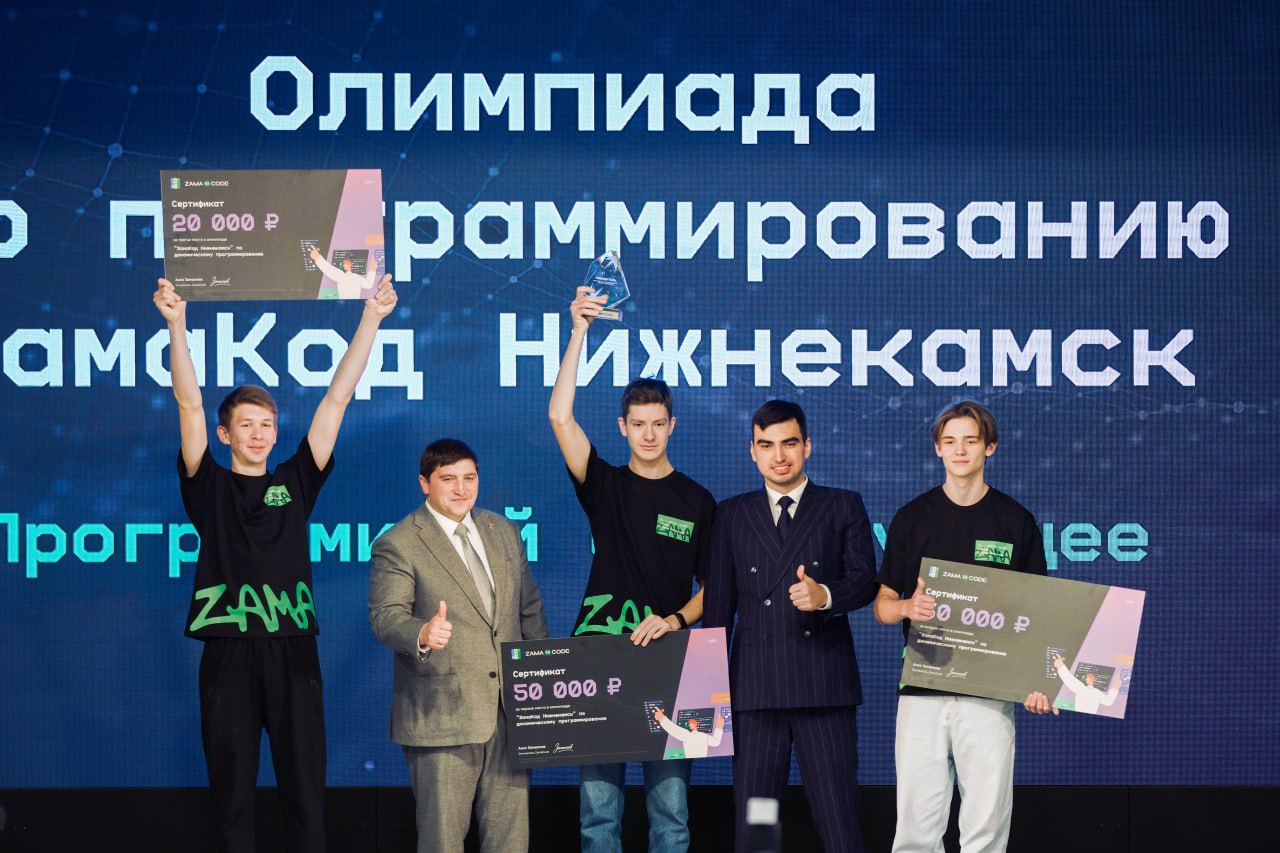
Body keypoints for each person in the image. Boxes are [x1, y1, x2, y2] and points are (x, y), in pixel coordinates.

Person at [154, 273, 397, 853]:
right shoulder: (208, 486)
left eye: (266, 424)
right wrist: (176, 326)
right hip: (228, 652)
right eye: (246, 425)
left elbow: (336, 399)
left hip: (292, 650)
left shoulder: (296, 480)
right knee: (232, 795)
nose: (258, 434)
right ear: (225, 434)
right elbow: (188, 403)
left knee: (305, 793)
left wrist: (371, 319)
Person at [548, 285, 716, 853]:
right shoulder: (605, 485)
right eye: (638, 423)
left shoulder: (698, 501)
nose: (648, 433)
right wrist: (579, 330)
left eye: (658, 423)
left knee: (672, 816)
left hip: (674, 658)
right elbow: (559, 415)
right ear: (622, 427)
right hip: (601, 652)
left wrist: (674, 620)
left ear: (673, 426)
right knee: (599, 817)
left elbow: (714, 589)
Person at [874, 400, 1057, 853]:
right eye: (950, 441)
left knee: (986, 829)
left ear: (989, 447)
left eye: (970, 441)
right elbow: (882, 606)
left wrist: (1039, 681)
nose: (960, 450)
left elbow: (1040, 614)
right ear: (937, 448)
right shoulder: (911, 517)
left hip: (989, 694)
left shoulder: (1015, 521)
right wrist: (907, 607)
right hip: (922, 689)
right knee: (915, 830)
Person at [702, 399, 878, 853]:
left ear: (807, 446)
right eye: (767, 445)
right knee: (758, 825)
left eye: (789, 444)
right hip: (755, 695)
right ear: (752, 451)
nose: (779, 456)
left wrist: (825, 596)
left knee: (839, 820)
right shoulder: (731, 515)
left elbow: (866, 581)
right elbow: (717, 610)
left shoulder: (841, 505)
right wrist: (705, 696)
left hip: (825, 689)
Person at [368, 438, 549, 852]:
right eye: (448, 479)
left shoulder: (504, 531)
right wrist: (421, 633)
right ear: (425, 483)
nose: (461, 489)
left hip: (510, 714)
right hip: (442, 716)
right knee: (443, 843)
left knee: (511, 841)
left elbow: (529, 610)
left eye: (469, 478)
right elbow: (385, 616)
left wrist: (540, 679)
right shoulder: (399, 542)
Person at [1053, 654, 1121, 715]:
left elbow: (1070, 681)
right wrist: (1115, 688)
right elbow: (1108, 702)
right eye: (1087, 678)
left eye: (1088, 678)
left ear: (1092, 680)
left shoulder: (1083, 689)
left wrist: (1060, 667)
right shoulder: (1097, 692)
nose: (1086, 679)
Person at [310, 245, 378, 299]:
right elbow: (369, 285)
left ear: (349, 265)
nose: (344, 266)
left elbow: (330, 270)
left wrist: (318, 258)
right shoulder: (355, 277)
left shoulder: (343, 276)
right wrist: (372, 270)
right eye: (344, 264)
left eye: (345, 264)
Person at [654, 708, 725, 760]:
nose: (690, 726)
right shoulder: (702, 736)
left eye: (691, 724)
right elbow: (716, 742)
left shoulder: (689, 736)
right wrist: (719, 727)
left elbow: (674, 730)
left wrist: (662, 719)